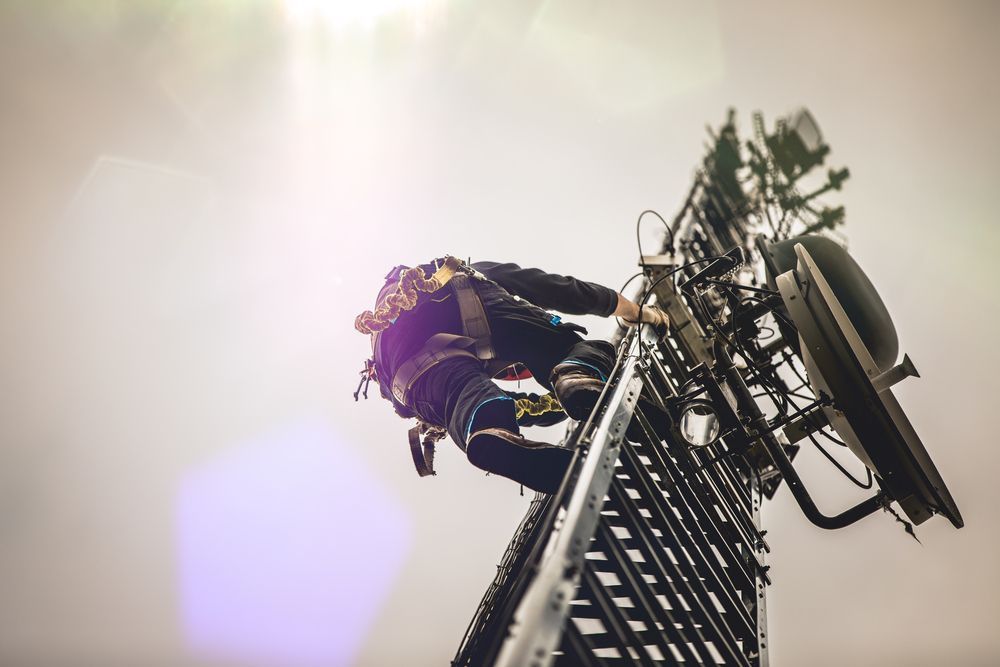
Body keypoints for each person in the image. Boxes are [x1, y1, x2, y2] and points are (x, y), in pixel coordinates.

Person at [354, 256, 668, 494]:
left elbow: (518, 406)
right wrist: (637, 312)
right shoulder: (482, 272)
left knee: (467, 398)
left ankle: (491, 433)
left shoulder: (456, 358)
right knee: (571, 348)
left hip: (404, 376)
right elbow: (563, 290)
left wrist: (557, 408)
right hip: (454, 296)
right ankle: (576, 371)